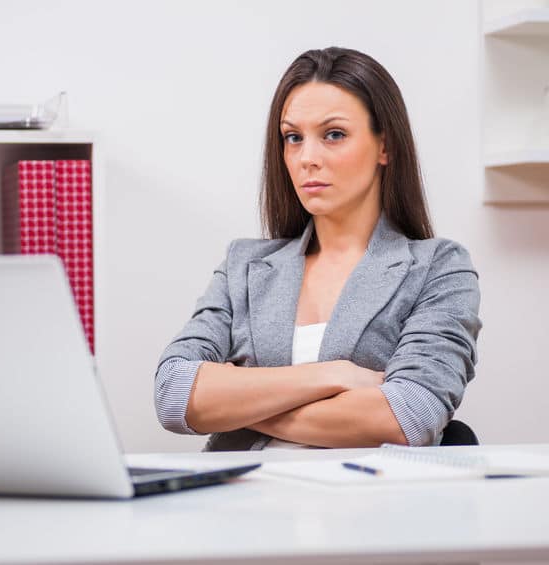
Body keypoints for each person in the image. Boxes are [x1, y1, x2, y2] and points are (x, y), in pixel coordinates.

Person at [154, 47, 481, 451]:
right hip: (240, 505)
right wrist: (332, 375)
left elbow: (406, 417)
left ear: (386, 146)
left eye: (334, 135)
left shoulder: (438, 268)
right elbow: (173, 394)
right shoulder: (244, 265)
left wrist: (236, 404)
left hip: (367, 507)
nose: (307, 158)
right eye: (293, 137)